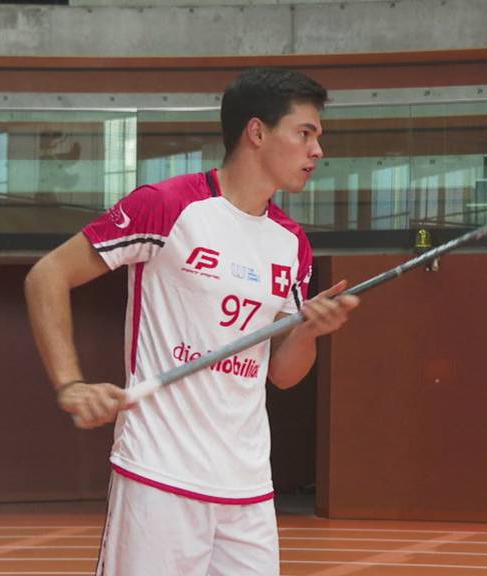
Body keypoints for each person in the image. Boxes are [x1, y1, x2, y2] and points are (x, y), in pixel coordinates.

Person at [24, 67, 359, 575]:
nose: (317, 151)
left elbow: (283, 374)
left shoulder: (292, 243)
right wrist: (70, 383)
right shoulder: (166, 207)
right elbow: (47, 275)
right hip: (159, 474)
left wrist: (310, 331)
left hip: (247, 489)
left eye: (318, 138)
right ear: (257, 132)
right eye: (305, 133)